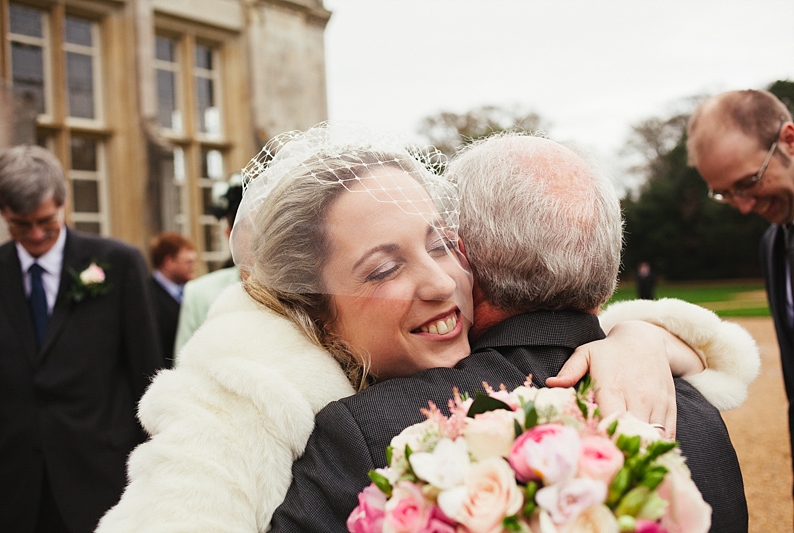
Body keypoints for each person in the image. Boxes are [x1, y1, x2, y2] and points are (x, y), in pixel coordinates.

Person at [96, 125, 756, 533]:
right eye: (384, 266)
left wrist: (642, 339)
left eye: (441, 244)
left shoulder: (632, 367)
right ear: (316, 307)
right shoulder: (249, 409)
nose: (440, 281)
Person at [0, 145, 165, 533]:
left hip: (101, 480)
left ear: (64, 203)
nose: (36, 234)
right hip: (12, 489)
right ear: (2, 213)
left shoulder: (119, 264)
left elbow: (147, 375)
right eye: (21, 225)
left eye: (46, 221)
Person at [686, 89, 794, 482]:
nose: (744, 205)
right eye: (725, 194)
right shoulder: (774, 245)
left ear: (789, 140)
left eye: (749, 181)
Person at [172, 175, 242, 359]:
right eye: (248, 228)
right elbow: (183, 364)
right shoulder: (200, 293)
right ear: (229, 234)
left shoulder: (299, 290)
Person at [149, 231, 196, 366]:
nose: (193, 267)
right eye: (188, 262)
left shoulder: (192, 292)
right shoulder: (147, 296)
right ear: (169, 262)